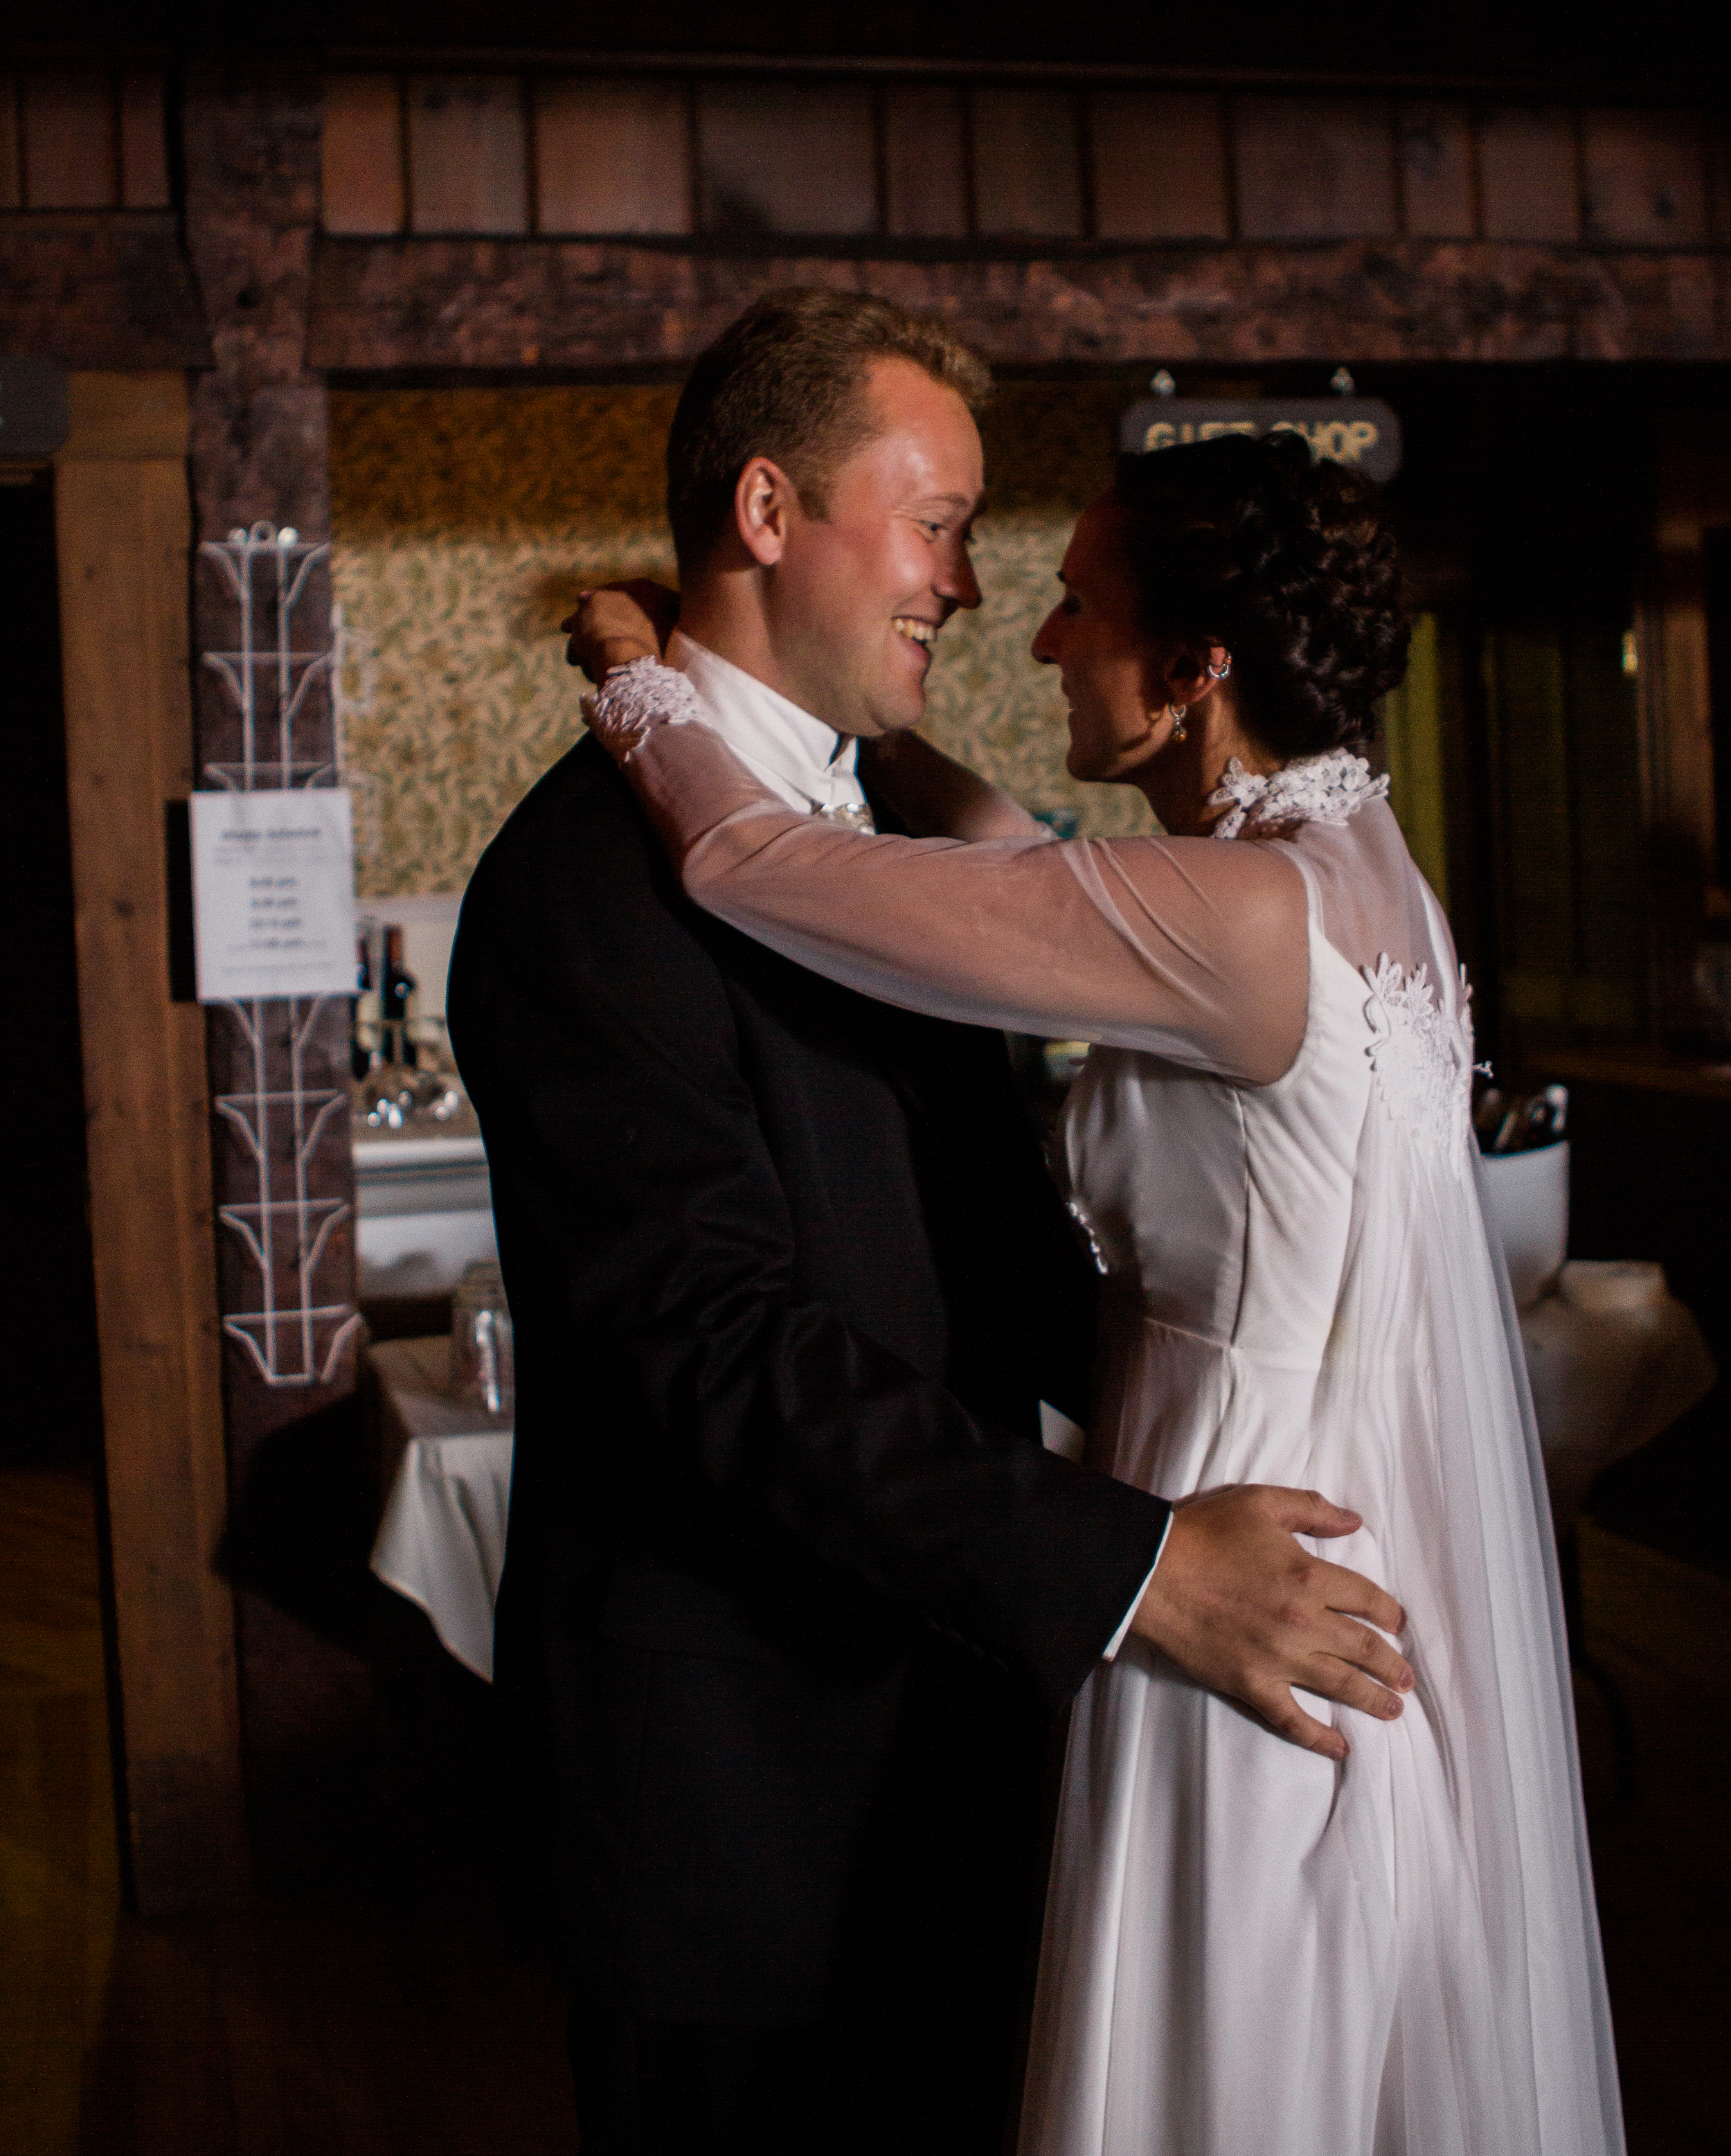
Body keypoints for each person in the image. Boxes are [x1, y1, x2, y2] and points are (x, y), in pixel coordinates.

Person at [571, 414, 1626, 2156]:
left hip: (1233, 1559)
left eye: (1077, 604)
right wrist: (880, 739)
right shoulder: (1349, 876)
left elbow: (748, 869)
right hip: (1319, 1510)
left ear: (1191, 670)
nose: (1041, 635)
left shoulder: (1239, 919)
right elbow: (1025, 877)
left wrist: (632, 672)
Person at [449, 289, 1411, 2156]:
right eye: (941, 520)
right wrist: (1136, 1564)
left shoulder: (881, 831)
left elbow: (989, 1252)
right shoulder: (583, 884)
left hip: (963, 1742)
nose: (967, 588)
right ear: (765, 510)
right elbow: (717, 1352)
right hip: (740, 1818)